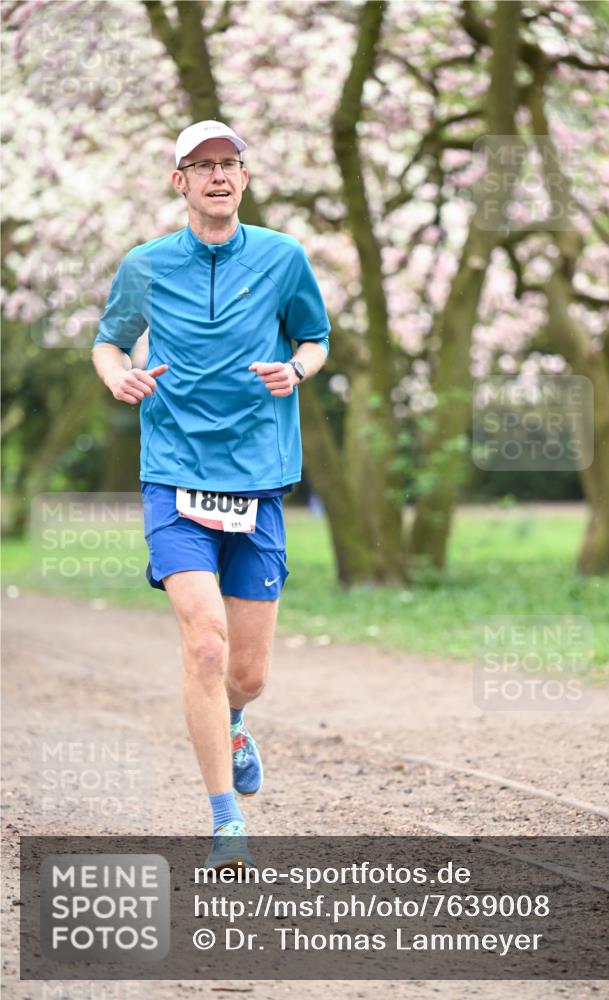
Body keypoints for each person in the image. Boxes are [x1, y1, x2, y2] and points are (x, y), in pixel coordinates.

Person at [92, 121, 330, 866]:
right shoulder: (146, 265)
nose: (218, 176)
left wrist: (298, 370)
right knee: (203, 643)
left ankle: (234, 719)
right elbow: (108, 338)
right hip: (174, 473)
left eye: (230, 164)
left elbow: (315, 339)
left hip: (257, 476)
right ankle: (226, 819)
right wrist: (117, 376)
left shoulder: (284, 258)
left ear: (245, 179)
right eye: (203, 166)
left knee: (248, 673)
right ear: (181, 183)